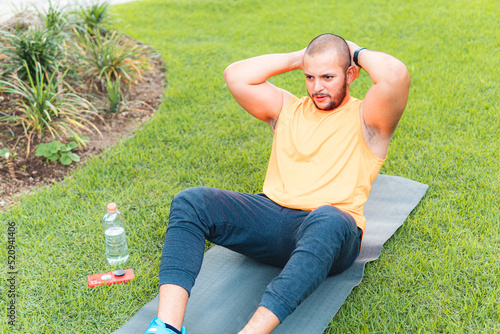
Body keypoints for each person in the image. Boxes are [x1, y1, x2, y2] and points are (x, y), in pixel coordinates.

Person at [144, 33, 410, 334]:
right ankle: (166, 327)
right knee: (191, 201)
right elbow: (235, 75)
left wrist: (354, 51)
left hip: (330, 233)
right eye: (310, 77)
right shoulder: (287, 108)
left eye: (327, 76)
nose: (317, 87)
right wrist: (301, 57)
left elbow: (395, 74)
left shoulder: (368, 118)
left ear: (351, 74)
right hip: (272, 220)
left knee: (329, 217)